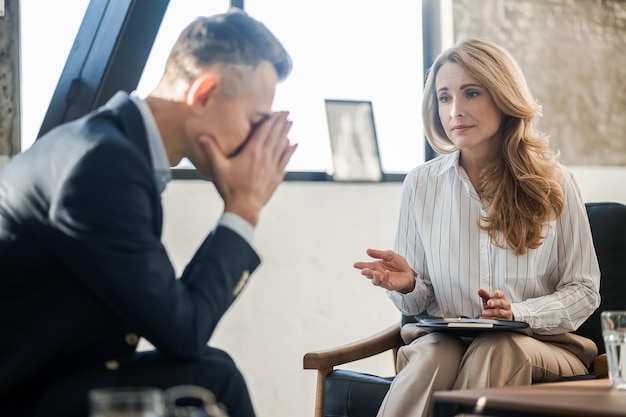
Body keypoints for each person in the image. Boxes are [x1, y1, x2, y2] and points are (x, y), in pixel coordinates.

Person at [0, 8, 295, 417]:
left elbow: (177, 320)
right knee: (213, 378)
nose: (257, 142)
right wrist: (244, 207)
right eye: (254, 120)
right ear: (204, 93)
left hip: (63, 374)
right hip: (24, 394)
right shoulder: (103, 165)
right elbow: (184, 333)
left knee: (214, 370)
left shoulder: (114, 148)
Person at [353, 38, 600, 417]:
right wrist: (407, 285)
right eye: (445, 97)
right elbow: (419, 302)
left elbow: (584, 290)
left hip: (541, 347)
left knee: (497, 347)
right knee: (434, 353)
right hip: (445, 342)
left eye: (471, 93)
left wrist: (518, 313)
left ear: (503, 97)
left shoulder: (556, 182)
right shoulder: (421, 184)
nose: (455, 110)